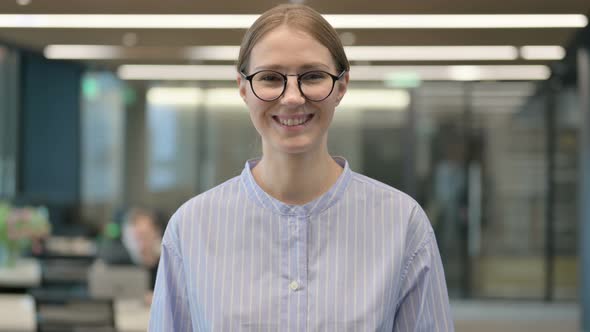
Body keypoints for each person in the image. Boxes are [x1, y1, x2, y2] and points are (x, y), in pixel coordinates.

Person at [149, 4, 454, 331]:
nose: (292, 97)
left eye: (312, 76)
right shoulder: (191, 227)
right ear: (242, 88)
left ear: (341, 86)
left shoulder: (402, 224)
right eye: (269, 78)